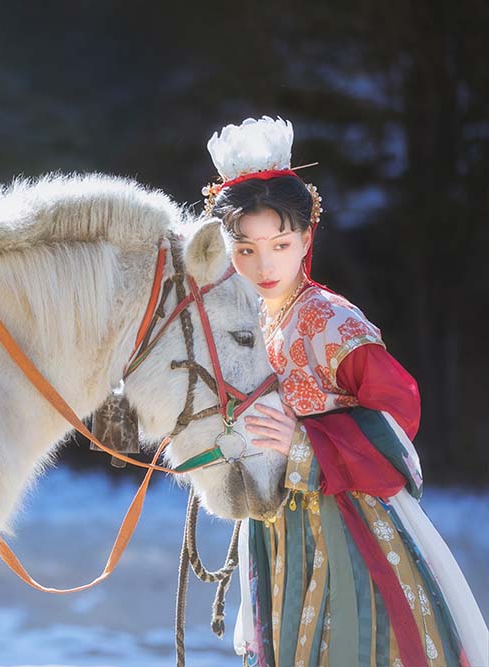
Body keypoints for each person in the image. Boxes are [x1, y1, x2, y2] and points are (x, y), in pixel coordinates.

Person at [202, 116, 488, 667]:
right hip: (279, 531)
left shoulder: (331, 320)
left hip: (351, 529)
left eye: (280, 244)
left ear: (306, 238)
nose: (264, 265)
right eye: (245, 250)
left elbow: (398, 414)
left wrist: (304, 442)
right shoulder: (247, 320)